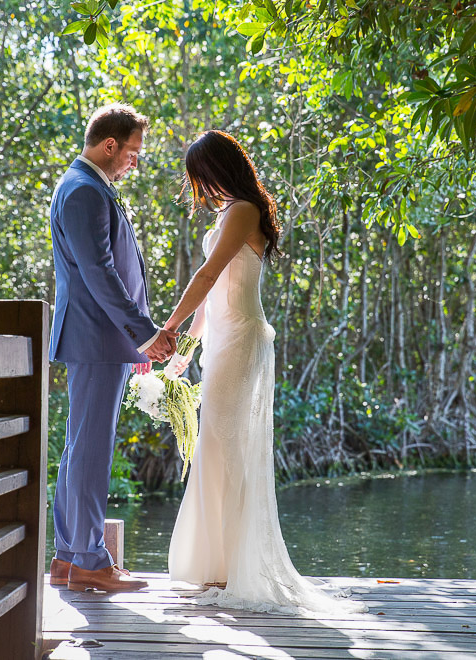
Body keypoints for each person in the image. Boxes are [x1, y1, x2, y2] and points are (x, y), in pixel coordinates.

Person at [162, 130, 365, 615]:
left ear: (220, 168)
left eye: (203, 176)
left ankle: (230, 569)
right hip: (220, 341)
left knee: (228, 448)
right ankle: (216, 567)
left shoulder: (245, 210)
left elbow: (207, 275)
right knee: (213, 446)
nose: (201, 188)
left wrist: (165, 326)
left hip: (242, 341)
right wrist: (185, 347)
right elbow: (212, 294)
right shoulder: (229, 210)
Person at [48, 103, 177, 592]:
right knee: (90, 450)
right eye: (132, 153)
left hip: (101, 339)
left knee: (82, 446)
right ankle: (88, 562)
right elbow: (100, 274)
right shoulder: (83, 191)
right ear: (109, 145)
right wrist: (143, 333)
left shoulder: (90, 187)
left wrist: (137, 339)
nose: (134, 162)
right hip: (97, 339)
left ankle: (69, 559)